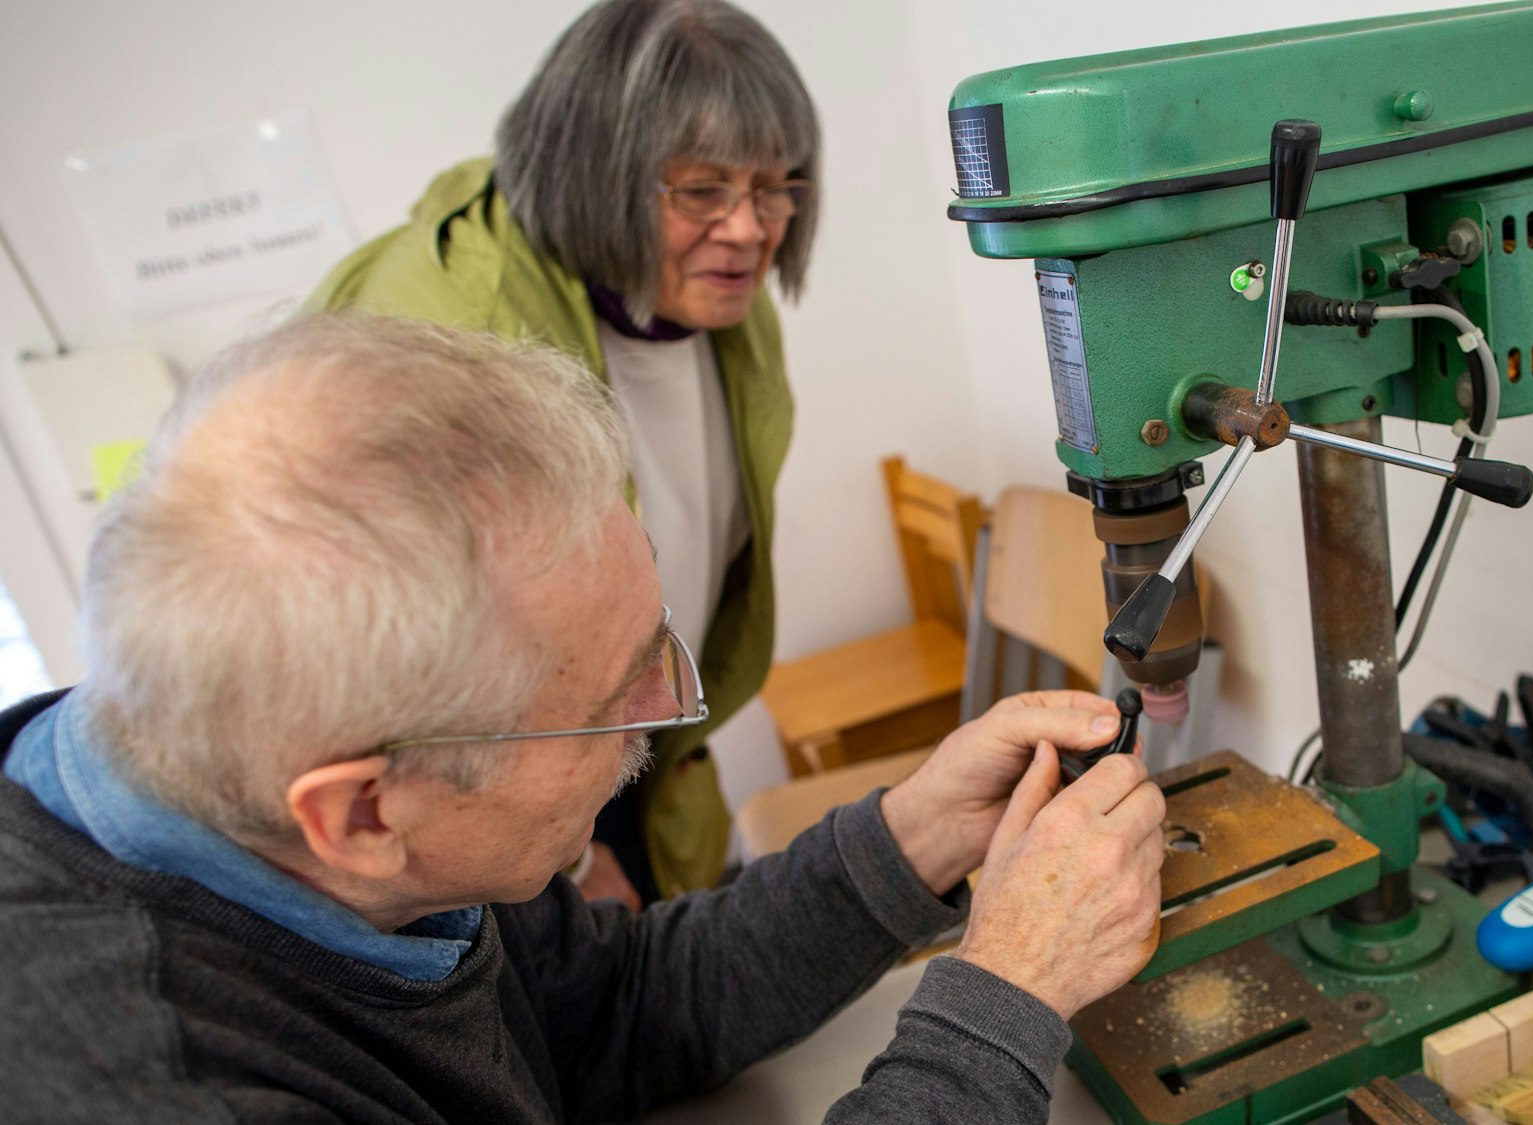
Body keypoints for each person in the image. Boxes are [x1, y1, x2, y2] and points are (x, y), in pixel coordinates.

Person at [0, 315, 1166, 1123]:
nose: (665, 720)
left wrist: (911, 836)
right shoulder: (155, 1084)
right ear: (361, 812)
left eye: (648, 653)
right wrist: (1001, 998)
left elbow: (617, 1011)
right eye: (609, 707)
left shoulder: (321, 813)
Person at [308, 0, 823, 902]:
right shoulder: (452, 335)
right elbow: (383, 683)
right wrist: (577, 860)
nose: (749, 228)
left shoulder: (718, 304)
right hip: (482, 809)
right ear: (595, 174)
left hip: (631, 750)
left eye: (775, 185)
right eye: (702, 190)